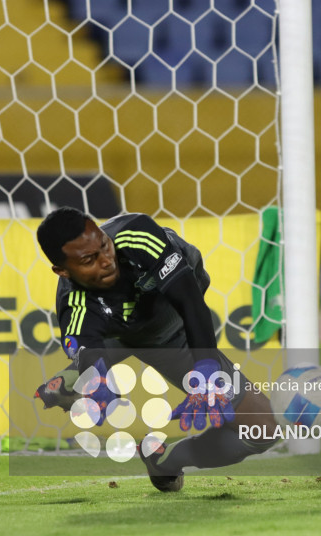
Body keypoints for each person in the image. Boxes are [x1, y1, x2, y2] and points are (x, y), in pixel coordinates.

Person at [33, 208, 278, 491]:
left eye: (103, 245)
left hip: (168, 326)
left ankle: (75, 376)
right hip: (126, 336)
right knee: (93, 365)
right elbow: (89, 348)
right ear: (62, 271)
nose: (106, 261)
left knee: (263, 429)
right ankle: (164, 459)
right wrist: (98, 379)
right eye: (89, 260)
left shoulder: (137, 235)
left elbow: (190, 302)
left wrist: (207, 372)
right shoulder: (74, 307)